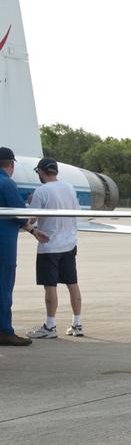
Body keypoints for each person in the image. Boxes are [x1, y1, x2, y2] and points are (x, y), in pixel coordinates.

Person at [24, 158, 83, 338]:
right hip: (69, 244)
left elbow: (31, 218)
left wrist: (29, 203)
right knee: (72, 284)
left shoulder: (41, 191)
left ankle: (50, 326)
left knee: (50, 286)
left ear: (41, 172)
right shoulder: (69, 188)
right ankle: (77, 323)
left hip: (49, 245)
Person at [0, 146, 32, 346]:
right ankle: (4, 331)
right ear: (10, 165)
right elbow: (21, 214)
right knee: (3, 286)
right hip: (4, 244)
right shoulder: (7, 184)